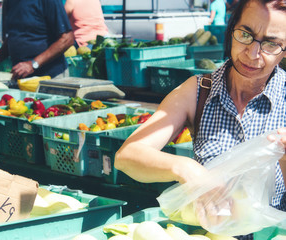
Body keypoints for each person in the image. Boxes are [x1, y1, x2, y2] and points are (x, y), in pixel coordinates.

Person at [115, 0, 286, 239]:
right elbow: (127, 157)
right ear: (231, 30)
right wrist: (186, 168)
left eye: (271, 44)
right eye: (245, 34)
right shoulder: (198, 91)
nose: (253, 53)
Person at [0, 0, 74, 80]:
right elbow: (14, 36)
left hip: (51, 78)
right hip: (22, 78)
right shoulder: (10, 2)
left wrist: (34, 64)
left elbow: (67, 39)